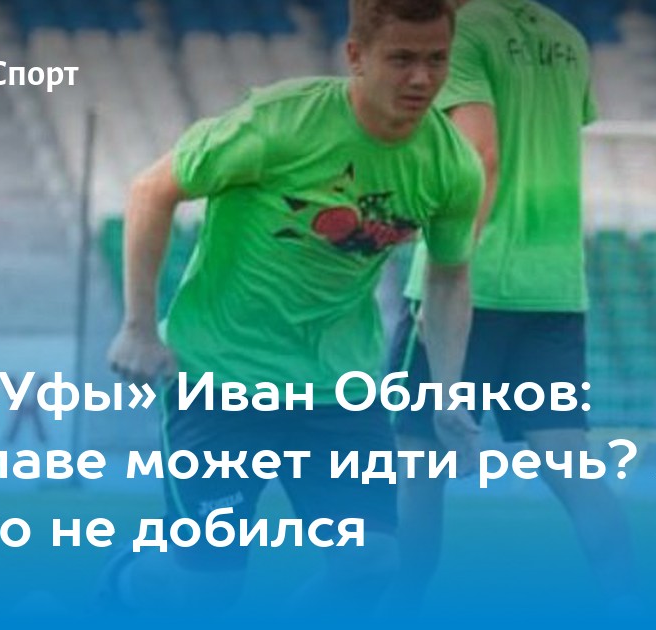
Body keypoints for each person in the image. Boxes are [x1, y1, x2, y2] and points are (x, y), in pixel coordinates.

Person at [105, 0, 482, 614]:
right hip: (220, 378)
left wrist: (447, 394)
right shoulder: (279, 122)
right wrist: (137, 327)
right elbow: (152, 189)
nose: (421, 78)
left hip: (337, 387)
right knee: (207, 589)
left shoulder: (452, 165)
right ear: (356, 56)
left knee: (371, 562)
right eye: (402, 59)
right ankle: (119, 586)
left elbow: (447, 279)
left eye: (437, 60)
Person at [389, 0, 637, 615]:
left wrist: (452, 265)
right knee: (573, 466)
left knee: (415, 465)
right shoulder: (566, 37)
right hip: (554, 283)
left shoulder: (462, 33)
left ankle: (397, 607)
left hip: (471, 280)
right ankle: (631, 607)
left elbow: (482, 153)